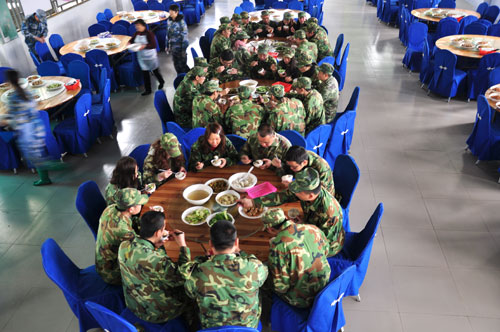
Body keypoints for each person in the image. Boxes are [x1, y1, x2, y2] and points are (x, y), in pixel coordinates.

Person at [180, 220, 268, 329]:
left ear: (210, 244)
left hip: (212, 328)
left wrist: (203, 259)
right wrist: (241, 252)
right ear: (236, 242)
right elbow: (265, 273)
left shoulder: (197, 273)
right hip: (248, 328)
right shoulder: (254, 267)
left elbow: (190, 293)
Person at [239, 168, 344, 257]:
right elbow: (282, 196)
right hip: (311, 225)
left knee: (283, 248)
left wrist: (297, 228)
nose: (294, 192)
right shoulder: (308, 191)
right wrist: (253, 202)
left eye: (297, 191)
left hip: (327, 245)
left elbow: (321, 240)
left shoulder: (329, 213)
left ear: (310, 196)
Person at [118, 211, 192, 324]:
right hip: (155, 313)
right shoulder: (157, 261)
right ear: (158, 232)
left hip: (134, 303)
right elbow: (183, 276)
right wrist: (182, 245)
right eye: (163, 229)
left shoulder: (124, 244)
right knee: (192, 290)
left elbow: (146, 257)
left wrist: (157, 246)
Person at [263, 208, 331, 308]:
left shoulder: (278, 246)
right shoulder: (312, 228)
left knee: (262, 273)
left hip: (303, 299)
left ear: (270, 229)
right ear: (286, 218)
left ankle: (270, 315)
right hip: (325, 286)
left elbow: (281, 287)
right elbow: (326, 251)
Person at [2, 70, 58, 186]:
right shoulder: (27, 93)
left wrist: (3, 121)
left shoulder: (13, 99)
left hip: (27, 132)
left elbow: (16, 120)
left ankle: (52, 171)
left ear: (8, 83)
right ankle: (47, 174)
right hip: (37, 126)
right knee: (38, 154)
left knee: (35, 157)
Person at [96, 188, 148, 285]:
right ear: (131, 209)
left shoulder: (111, 208)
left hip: (102, 263)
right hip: (112, 273)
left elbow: (130, 222)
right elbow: (143, 249)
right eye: (139, 203)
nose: (141, 205)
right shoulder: (122, 230)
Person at [130, 19, 165, 96]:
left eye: (138, 25)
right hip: (141, 57)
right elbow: (132, 40)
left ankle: (161, 81)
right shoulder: (136, 33)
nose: (137, 27)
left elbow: (153, 45)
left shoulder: (149, 33)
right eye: (136, 26)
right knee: (145, 73)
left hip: (150, 56)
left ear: (143, 26)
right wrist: (129, 43)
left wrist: (144, 46)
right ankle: (148, 90)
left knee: (155, 71)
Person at [166, 4, 190, 74]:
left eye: (172, 12)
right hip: (173, 49)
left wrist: (183, 50)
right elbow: (167, 34)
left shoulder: (181, 23)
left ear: (176, 12)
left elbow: (185, 38)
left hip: (180, 49)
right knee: (176, 66)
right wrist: (167, 45)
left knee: (182, 66)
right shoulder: (169, 21)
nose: (170, 13)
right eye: (170, 11)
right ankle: (179, 78)